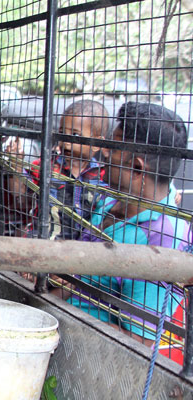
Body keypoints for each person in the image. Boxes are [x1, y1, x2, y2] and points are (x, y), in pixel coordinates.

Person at [69, 102, 192, 343]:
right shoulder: (108, 201)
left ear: (137, 168)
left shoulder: (164, 238)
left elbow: (137, 342)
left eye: (113, 147)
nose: (104, 152)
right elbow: (79, 283)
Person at [7, 99, 110, 239]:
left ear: (97, 143)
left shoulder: (102, 177)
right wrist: (16, 166)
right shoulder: (44, 167)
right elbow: (20, 196)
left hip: (81, 250)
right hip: (43, 242)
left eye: (75, 135)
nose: (66, 141)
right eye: (62, 132)